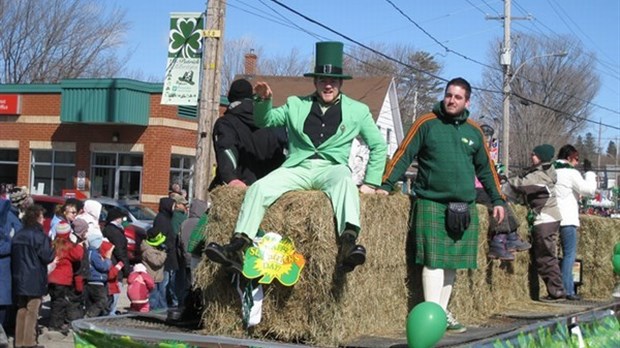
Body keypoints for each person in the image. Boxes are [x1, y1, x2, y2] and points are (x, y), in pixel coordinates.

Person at [206, 41, 388, 273]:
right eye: (322, 80)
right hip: (298, 166)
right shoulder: (295, 104)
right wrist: (263, 101)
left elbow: (378, 146)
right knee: (259, 188)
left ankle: (348, 244)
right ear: (315, 82)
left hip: (332, 167)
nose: (328, 85)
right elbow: (265, 121)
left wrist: (371, 183)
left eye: (332, 81)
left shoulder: (358, 111)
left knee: (345, 182)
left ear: (341, 83)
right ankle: (238, 246)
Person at [377, 77, 505, 333]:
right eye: (449, 95)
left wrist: (498, 199)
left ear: (467, 101)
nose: (451, 100)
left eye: (458, 97)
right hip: (431, 202)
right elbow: (404, 154)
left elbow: (487, 169)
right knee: (434, 261)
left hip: (463, 206)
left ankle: (441, 314)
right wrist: (385, 184)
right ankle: (431, 313)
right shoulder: (427, 123)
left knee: (451, 263)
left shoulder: (474, 131)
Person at [506, 144, 565, 301]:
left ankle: (557, 292)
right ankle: (555, 290)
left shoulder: (541, 176)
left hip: (545, 219)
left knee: (546, 257)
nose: (531, 156)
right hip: (547, 218)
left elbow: (521, 185)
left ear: (541, 157)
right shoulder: (544, 172)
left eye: (534, 154)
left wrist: (504, 183)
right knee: (544, 256)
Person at [208, 78, 288, 190]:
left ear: (230, 97)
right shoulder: (271, 120)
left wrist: (230, 178)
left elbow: (226, 149)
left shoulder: (226, 123)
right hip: (272, 190)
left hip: (242, 189)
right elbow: (285, 151)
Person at [554, 144, 596, 301]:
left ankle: (555, 288)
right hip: (567, 218)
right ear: (569, 158)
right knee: (569, 255)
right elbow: (589, 190)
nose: (577, 162)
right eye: (576, 159)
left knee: (552, 255)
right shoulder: (570, 173)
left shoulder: (551, 170)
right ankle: (568, 289)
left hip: (550, 218)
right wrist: (590, 173)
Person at [11, 204, 55, 348]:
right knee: (33, 310)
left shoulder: (18, 234)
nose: (43, 219)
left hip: (19, 276)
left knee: (21, 309)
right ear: (37, 217)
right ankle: (29, 343)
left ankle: (19, 341)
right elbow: (47, 257)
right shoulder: (40, 236)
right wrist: (53, 249)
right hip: (34, 277)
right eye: (42, 216)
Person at [47, 222, 83, 334]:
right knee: (60, 302)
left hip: (51, 277)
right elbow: (77, 256)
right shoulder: (68, 245)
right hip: (62, 279)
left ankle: (54, 322)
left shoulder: (53, 244)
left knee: (54, 301)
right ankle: (56, 324)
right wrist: (80, 245)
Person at [1, 198, 22, 345]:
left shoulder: (8, 219)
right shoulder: (9, 220)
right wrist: (11, 243)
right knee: (3, 302)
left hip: (6, 268)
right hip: (4, 267)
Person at [102, 208, 130, 315]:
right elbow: (120, 251)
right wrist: (126, 268)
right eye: (121, 218)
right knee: (115, 290)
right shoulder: (114, 231)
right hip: (116, 265)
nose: (122, 220)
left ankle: (110, 311)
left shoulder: (109, 229)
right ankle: (110, 313)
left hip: (113, 262)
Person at [84, 233, 112, 317]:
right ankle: (90, 315)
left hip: (90, 280)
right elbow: (103, 267)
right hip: (96, 281)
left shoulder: (88, 252)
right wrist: (107, 260)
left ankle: (90, 317)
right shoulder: (94, 254)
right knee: (102, 300)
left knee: (92, 301)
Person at [141, 228, 167, 310]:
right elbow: (157, 262)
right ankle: (152, 311)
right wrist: (163, 253)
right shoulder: (147, 251)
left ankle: (163, 309)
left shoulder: (154, 249)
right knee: (153, 297)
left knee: (162, 296)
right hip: (152, 278)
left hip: (158, 277)